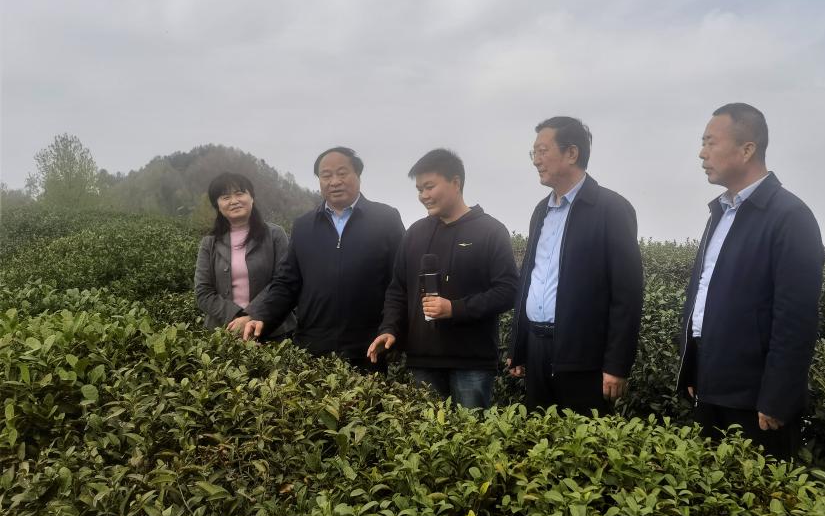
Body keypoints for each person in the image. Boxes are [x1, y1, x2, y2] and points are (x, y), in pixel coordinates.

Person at [676, 103, 825, 460]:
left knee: (758, 492)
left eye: (710, 142)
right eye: (702, 143)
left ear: (747, 149)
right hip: (710, 387)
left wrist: (777, 397)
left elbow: (796, 320)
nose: (702, 153)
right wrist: (693, 367)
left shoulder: (790, 217)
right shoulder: (721, 212)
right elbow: (704, 297)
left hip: (756, 402)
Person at [506, 116, 644, 416]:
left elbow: (627, 294)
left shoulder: (611, 209)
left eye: (542, 151)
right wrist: (519, 347)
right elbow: (530, 278)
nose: (536, 160)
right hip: (537, 349)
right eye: (533, 153)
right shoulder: (541, 210)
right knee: (538, 436)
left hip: (584, 357)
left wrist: (617, 365)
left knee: (583, 439)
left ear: (571, 153)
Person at [367, 149, 518, 408]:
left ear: (456, 183)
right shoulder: (415, 233)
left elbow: (508, 290)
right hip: (423, 360)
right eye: (419, 189)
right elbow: (398, 290)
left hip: (472, 362)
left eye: (429, 187)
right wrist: (389, 329)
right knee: (426, 432)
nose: (423, 195)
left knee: (471, 432)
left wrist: (455, 308)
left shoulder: (490, 231)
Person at [243, 147, 404, 372]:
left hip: (369, 348)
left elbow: (400, 282)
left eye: (342, 173)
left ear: (358, 175)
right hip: (312, 348)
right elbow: (287, 283)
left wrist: (391, 328)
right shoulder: (304, 226)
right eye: (326, 175)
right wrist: (263, 317)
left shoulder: (385, 219)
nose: (334, 181)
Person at [194, 172, 296, 341]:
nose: (234, 201)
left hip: (274, 330)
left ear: (252, 197)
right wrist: (237, 317)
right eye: (225, 197)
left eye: (240, 193)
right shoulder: (209, 243)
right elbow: (203, 292)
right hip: (225, 333)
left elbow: (284, 281)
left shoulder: (275, 234)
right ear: (217, 205)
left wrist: (252, 315)